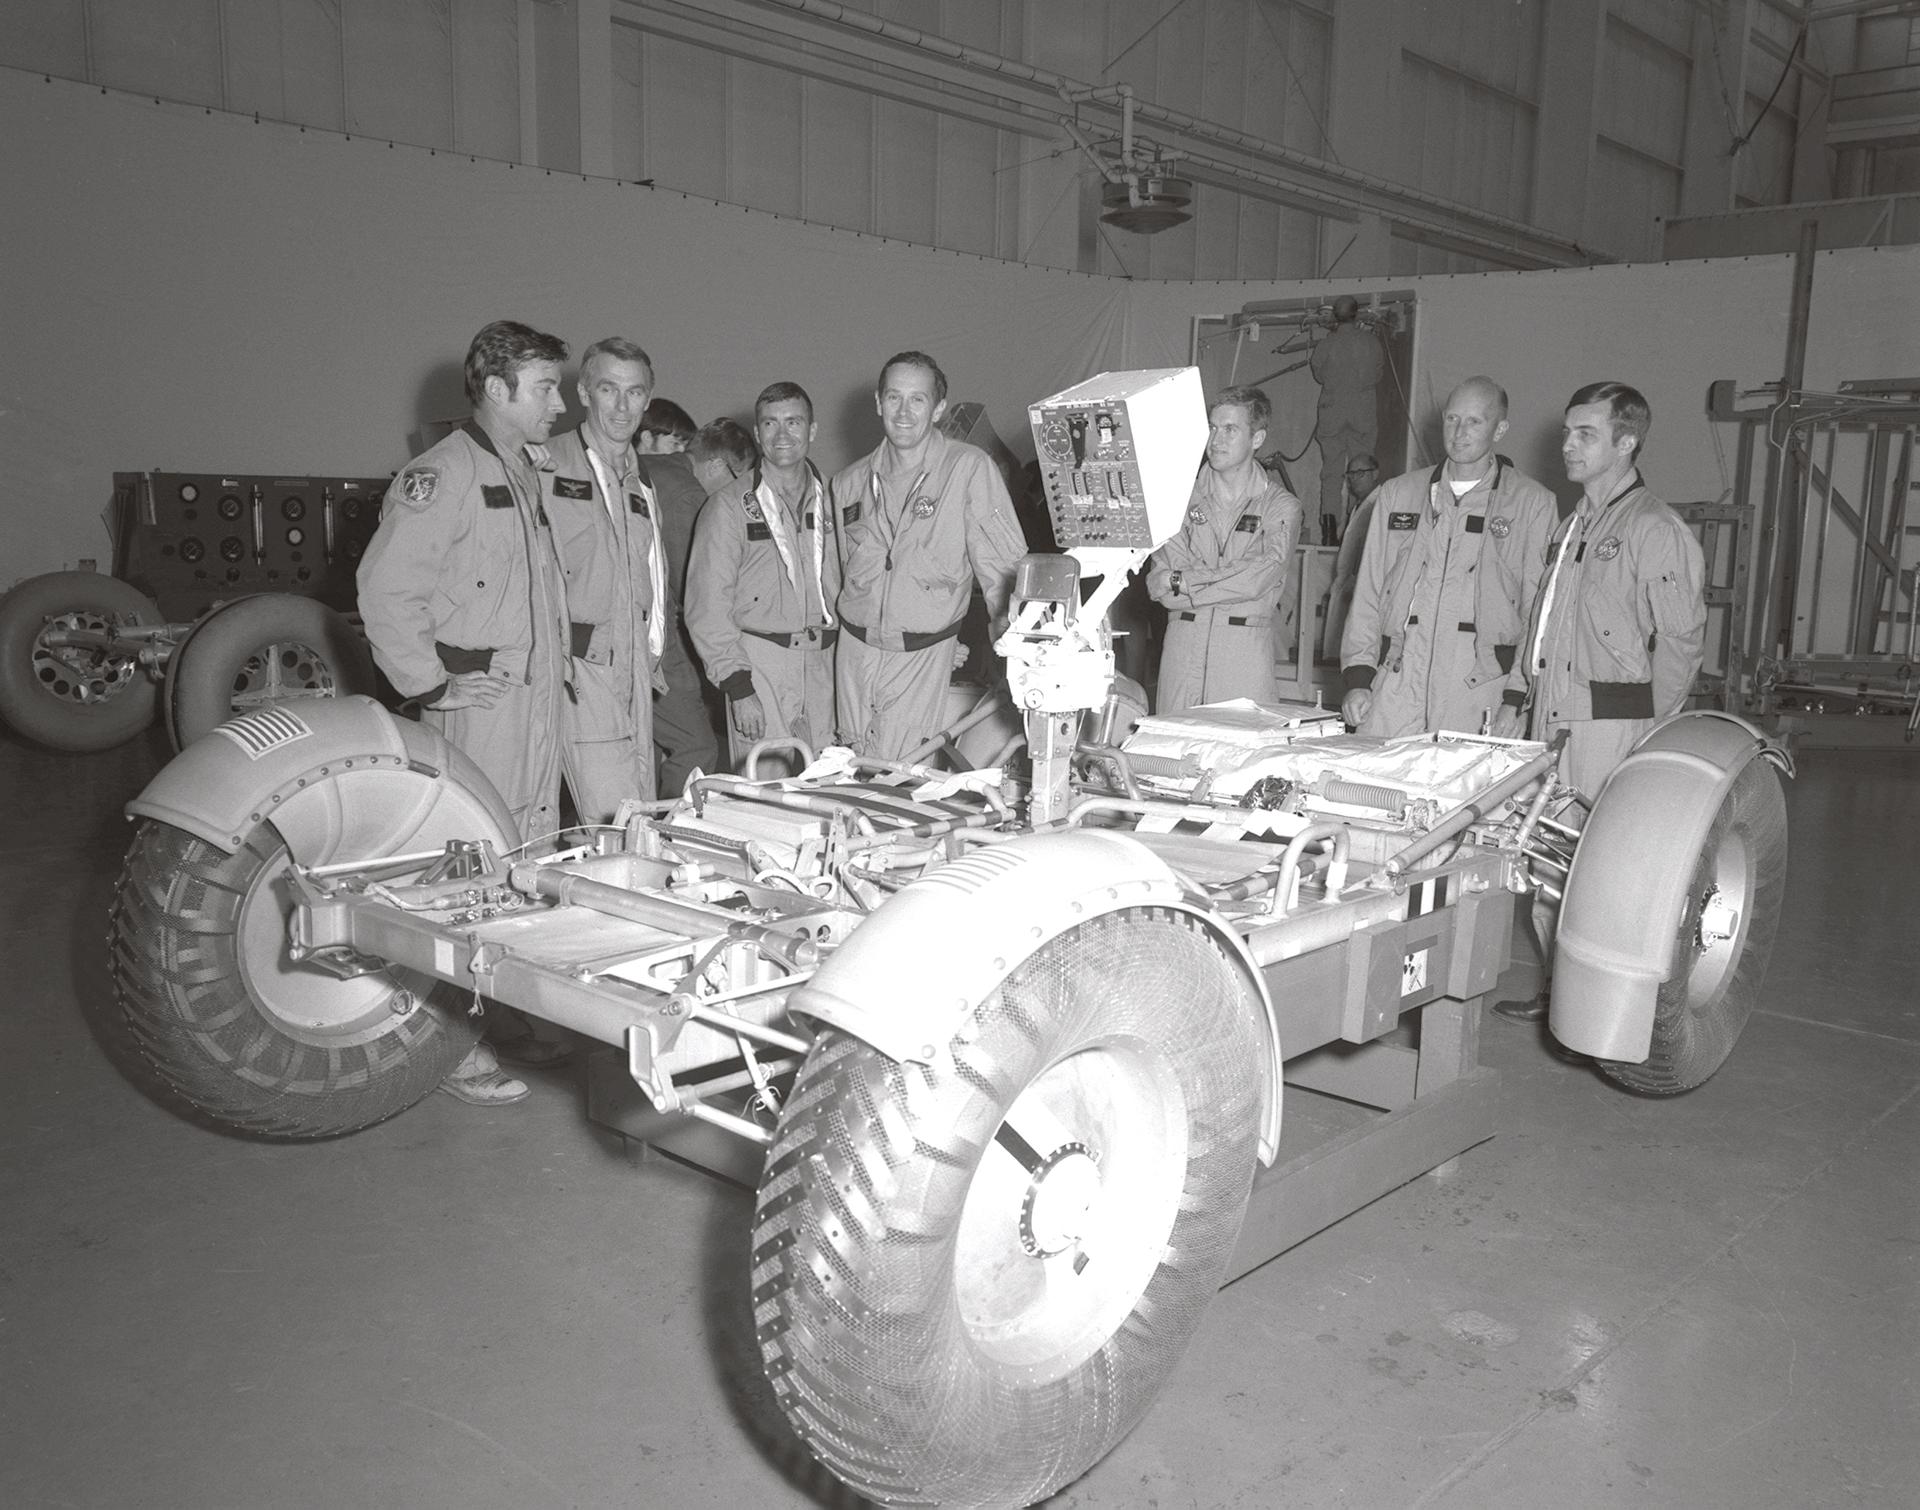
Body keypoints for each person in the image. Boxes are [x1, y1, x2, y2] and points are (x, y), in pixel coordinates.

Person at [357, 320, 573, 1105]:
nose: (560, 401)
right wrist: (432, 685)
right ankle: (450, 1044)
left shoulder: (522, 470)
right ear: (497, 388)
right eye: (546, 386)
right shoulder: (442, 474)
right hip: (479, 711)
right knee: (464, 875)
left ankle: (505, 1016)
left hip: (531, 704)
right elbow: (386, 591)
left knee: (519, 867)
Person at [1493, 381, 1706, 1024]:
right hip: (1551, 720)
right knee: (1549, 859)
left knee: (1600, 870)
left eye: (1586, 433)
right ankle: (1560, 991)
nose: (1568, 445)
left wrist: (1652, 733)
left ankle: (1604, 1003)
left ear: (1626, 441)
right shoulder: (1572, 526)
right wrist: (1516, 696)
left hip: (1609, 727)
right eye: (1567, 431)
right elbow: (1543, 620)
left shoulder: (1653, 530)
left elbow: (1681, 643)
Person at [830, 351, 1027, 759]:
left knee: (896, 778)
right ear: (878, 402)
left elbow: (1004, 573)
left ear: (938, 409)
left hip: (920, 656)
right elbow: (836, 575)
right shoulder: (848, 483)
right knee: (846, 768)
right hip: (853, 656)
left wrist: (1017, 654)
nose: (904, 412)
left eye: (917, 399)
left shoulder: (968, 469)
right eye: (894, 398)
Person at [1339, 379, 1558, 737]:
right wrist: (1359, 676)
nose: (1459, 432)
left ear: (1499, 429)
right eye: (1452, 419)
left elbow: (1537, 612)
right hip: (1398, 677)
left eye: (1475, 422)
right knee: (1373, 785)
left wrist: (1516, 697)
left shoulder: (1531, 503)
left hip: (1479, 685)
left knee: (1466, 789)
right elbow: (1368, 592)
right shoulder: (1399, 494)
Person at [541, 337, 668, 819]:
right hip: (579, 664)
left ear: (647, 401)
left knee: (639, 805)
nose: (621, 405)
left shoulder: (640, 479)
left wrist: (651, 656)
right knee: (618, 817)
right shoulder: (545, 465)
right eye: (608, 389)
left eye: (634, 393)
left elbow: (651, 573)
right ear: (584, 393)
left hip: (633, 665)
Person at [686, 382, 839, 773]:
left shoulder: (838, 501)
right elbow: (707, 605)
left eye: (794, 422)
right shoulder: (729, 507)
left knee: (831, 787)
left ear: (812, 430)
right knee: (763, 795)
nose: (783, 434)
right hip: (761, 666)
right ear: (757, 434)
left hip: (828, 667)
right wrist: (738, 687)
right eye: (770, 424)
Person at [1146, 385, 1302, 712]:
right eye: (1212, 428)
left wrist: (1184, 581)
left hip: (1244, 658)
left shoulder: (1280, 506)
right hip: (1181, 654)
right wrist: (1224, 582)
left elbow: (1260, 575)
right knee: (1169, 757)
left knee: (1240, 759)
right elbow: (1160, 584)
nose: (1216, 440)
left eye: (1230, 429)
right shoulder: (1177, 499)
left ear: (1257, 439)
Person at [641, 397, 723, 796]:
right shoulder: (683, 491)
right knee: (696, 746)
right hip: (657, 638)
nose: (680, 458)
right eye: (675, 446)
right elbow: (693, 589)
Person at [1310, 295, 1385, 532]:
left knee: (1331, 474)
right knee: (1361, 474)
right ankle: (1357, 531)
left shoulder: (1326, 345)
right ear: (1357, 313)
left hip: (1332, 416)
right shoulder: (1371, 343)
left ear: (1334, 316)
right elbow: (1377, 375)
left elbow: (1319, 375)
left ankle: (1330, 533)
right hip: (1362, 416)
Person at [1319, 451, 1381, 663]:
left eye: (1361, 473)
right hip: (1347, 584)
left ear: (1375, 474)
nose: (1354, 478)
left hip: (1362, 584)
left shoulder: (1380, 504)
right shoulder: (1359, 506)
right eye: (1350, 474)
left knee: (1355, 651)